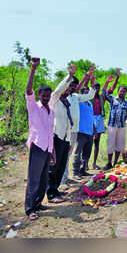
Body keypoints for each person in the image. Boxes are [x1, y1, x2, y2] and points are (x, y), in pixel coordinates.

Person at [24, 57, 55, 221]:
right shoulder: (34, 106)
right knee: (34, 179)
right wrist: (33, 69)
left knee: (43, 179)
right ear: (40, 95)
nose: (46, 98)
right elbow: (28, 91)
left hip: (47, 148)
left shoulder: (51, 111)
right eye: (44, 95)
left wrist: (53, 152)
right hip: (37, 147)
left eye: (48, 96)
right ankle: (30, 209)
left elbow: (51, 132)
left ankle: (37, 203)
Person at [45, 63, 76, 203]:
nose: (68, 90)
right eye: (67, 88)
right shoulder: (55, 99)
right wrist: (69, 76)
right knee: (53, 166)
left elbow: (68, 123)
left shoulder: (66, 102)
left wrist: (69, 141)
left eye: (69, 89)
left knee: (61, 165)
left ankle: (56, 189)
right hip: (56, 137)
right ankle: (50, 194)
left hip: (65, 139)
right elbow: (58, 91)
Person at [62, 69, 96, 182]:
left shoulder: (77, 97)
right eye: (70, 85)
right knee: (65, 154)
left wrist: (91, 82)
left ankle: (65, 177)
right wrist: (84, 78)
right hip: (64, 130)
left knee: (68, 154)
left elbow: (90, 95)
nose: (72, 88)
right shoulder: (63, 97)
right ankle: (64, 177)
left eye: (74, 86)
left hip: (74, 130)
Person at [91, 68, 120, 170]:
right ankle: (84, 164)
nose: (97, 89)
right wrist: (92, 80)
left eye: (98, 87)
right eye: (95, 87)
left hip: (99, 119)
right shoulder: (89, 98)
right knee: (89, 141)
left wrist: (116, 78)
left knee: (96, 142)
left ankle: (94, 163)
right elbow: (91, 87)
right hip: (91, 119)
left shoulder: (101, 97)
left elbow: (109, 89)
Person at [102, 74, 127, 169]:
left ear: (125, 93)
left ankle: (115, 163)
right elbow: (104, 93)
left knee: (119, 145)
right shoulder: (113, 99)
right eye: (121, 91)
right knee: (110, 144)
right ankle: (109, 163)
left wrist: (123, 120)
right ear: (118, 91)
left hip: (121, 127)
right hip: (112, 126)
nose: (122, 92)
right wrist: (107, 82)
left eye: (124, 91)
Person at [72, 76, 96, 180]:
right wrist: (86, 79)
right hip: (81, 131)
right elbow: (76, 89)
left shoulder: (90, 104)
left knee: (87, 152)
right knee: (78, 152)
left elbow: (91, 117)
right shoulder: (79, 101)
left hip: (89, 132)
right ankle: (75, 172)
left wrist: (94, 128)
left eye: (88, 91)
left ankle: (83, 170)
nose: (87, 93)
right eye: (85, 91)